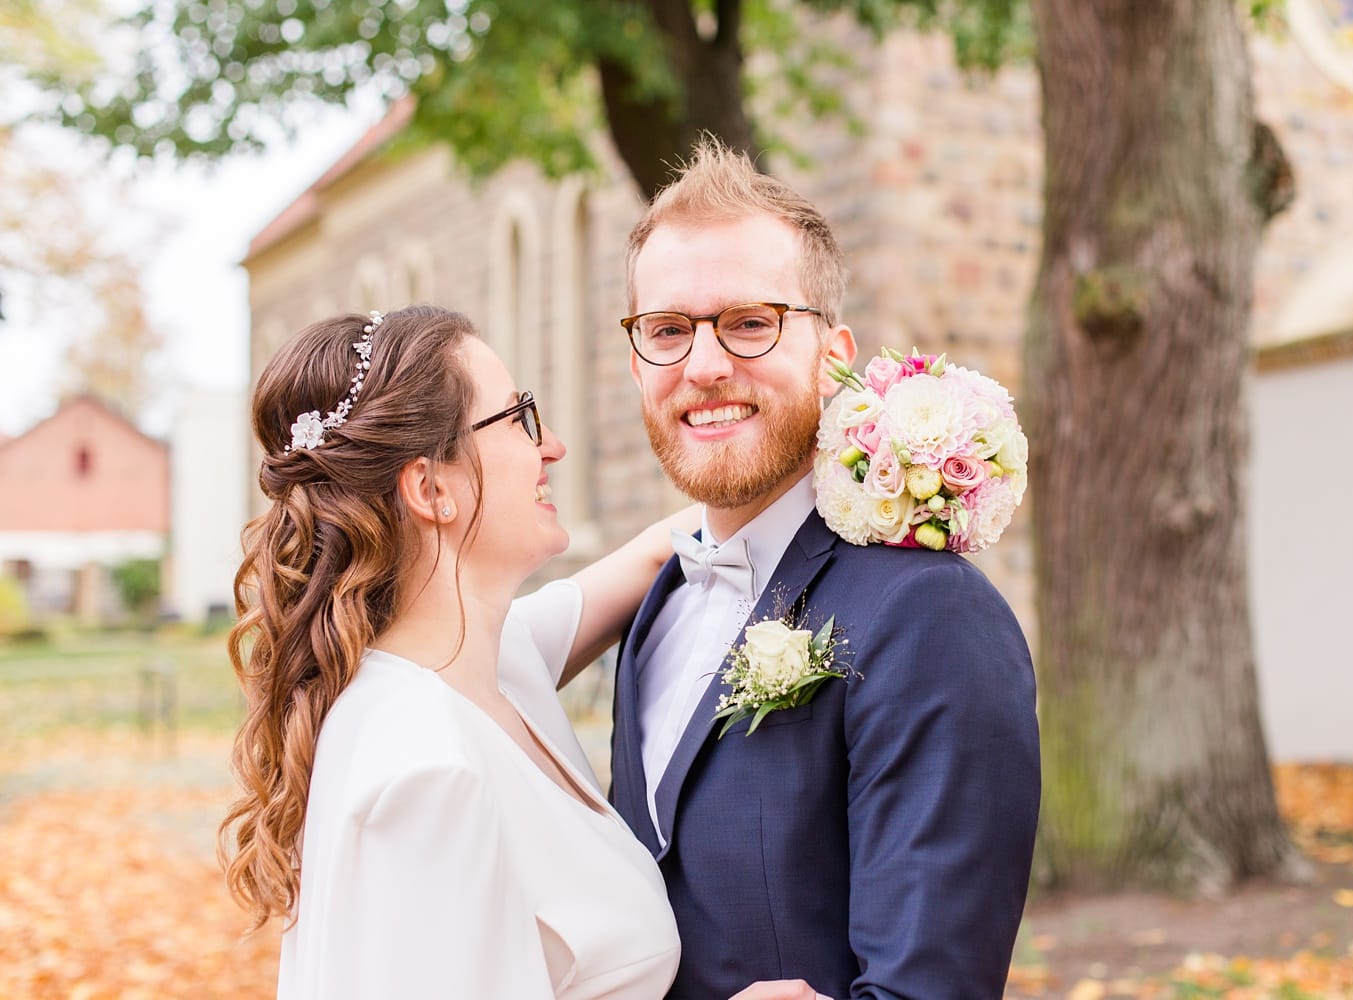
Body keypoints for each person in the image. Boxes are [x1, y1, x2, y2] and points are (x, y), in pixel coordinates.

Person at [221, 305, 803, 999]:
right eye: (518, 417)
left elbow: (669, 547)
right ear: (431, 488)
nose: (551, 444)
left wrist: (862, 450)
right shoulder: (423, 771)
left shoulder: (495, 660)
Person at [610, 139, 1043, 999]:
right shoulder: (651, 608)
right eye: (667, 330)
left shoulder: (927, 615)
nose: (703, 366)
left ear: (832, 354)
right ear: (637, 359)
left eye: (749, 323)